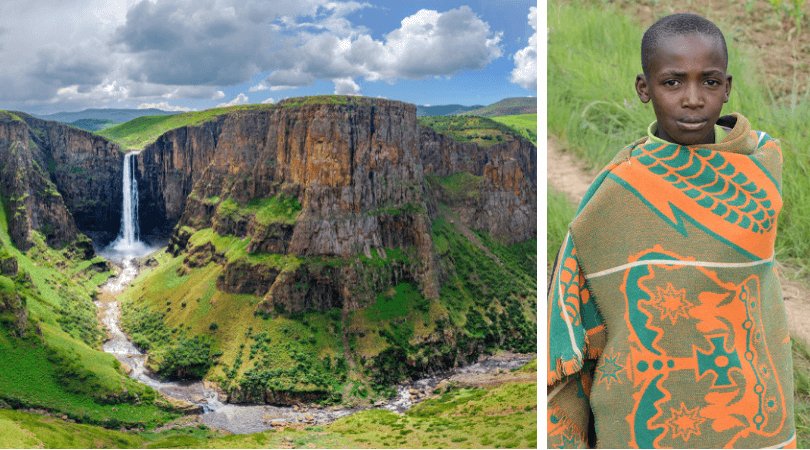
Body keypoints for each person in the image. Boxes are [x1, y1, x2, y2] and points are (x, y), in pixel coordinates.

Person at [547, 13, 796, 448]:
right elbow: (573, 290)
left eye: (710, 82)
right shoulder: (621, 189)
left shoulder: (763, 165)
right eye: (673, 82)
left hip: (752, 404)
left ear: (728, 87)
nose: (694, 99)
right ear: (645, 89)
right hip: (648, 415)